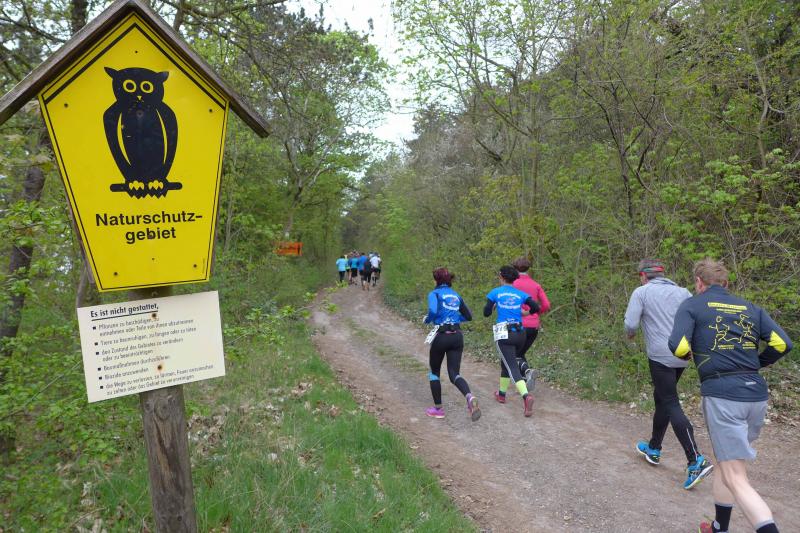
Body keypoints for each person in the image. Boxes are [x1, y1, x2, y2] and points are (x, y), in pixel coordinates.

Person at [667, 259, 792, 533]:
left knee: (736, 477)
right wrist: (756, 364)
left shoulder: (692, 305)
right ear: (726, 284)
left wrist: (688, 356)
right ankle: (719, 527)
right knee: (726, 462)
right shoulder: (750, 308)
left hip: (724, 396)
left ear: (699, 283)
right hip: (755, 395)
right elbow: (783, 344)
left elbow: (677, 345)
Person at [624, 259, 713, 490]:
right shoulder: (683, 292)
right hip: (682, 354)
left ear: (643, 276)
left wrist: (630, 334)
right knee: (662, 398)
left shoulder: (641, 292)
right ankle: (654, 447)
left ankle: (695, 459)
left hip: (660, 356)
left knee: (670, 402)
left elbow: (631, 323)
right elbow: (697, 320)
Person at [423, 267, 480, 421]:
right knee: (454, 374)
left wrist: (428, 319)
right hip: (457, 337)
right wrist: (454, 320)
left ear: (436, 280)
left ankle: (438, 409)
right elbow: (468, 316)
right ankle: (469, 397)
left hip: (441, 336)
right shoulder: (456, 295)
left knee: (434, 372)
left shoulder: (434, 294)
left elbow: (432, 311)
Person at [485, 265, 539, 417]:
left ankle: (526, 397)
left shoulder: (495, 292)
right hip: (520, 334)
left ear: (501, 277)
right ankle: (501, 394)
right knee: (506, 362)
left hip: (505, 334)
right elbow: (535, 307)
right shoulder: (520, 294)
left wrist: (493, 306)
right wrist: (525, 313)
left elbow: (486, 313)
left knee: (512, 366)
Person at [511, 257, 551, 390]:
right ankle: (526, 380)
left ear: (514, 268)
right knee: (520, 353)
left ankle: (527, 373)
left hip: (518, 325)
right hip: (533, 326)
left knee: (514, 355)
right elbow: (546, 305)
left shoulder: (512, 284)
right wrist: (536, 313)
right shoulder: (536, 285)